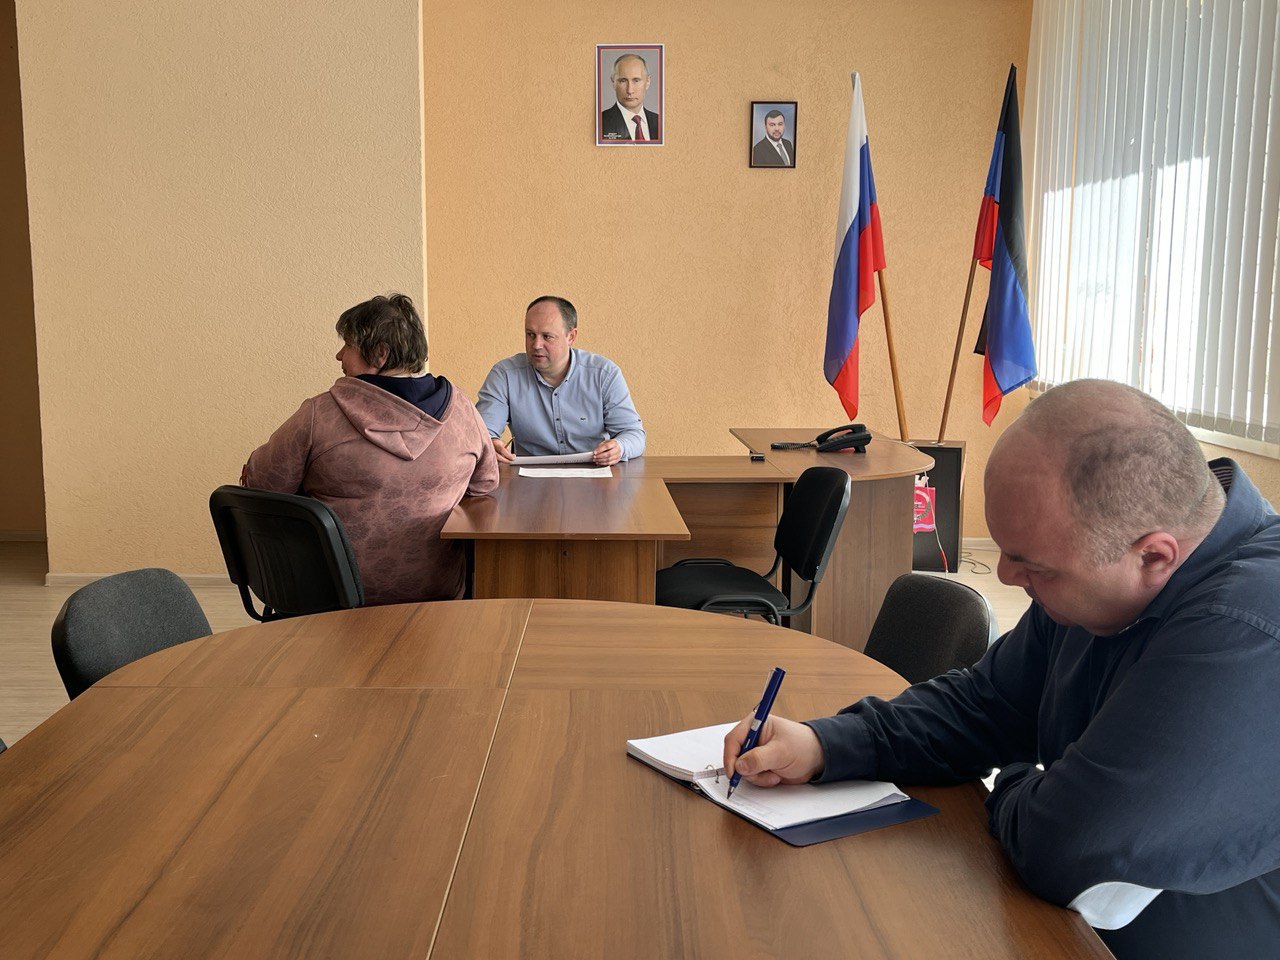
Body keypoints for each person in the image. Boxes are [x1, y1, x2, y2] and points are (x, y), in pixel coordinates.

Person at [723, 379, 1280, 960]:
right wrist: (824, 744)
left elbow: (1066, 846)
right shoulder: (1091, 588)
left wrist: (1016, 778)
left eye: (1030, 564)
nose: (1008, 578)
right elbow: (985, 705)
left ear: (1154, 556)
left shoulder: (1251, 630)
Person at [242, 293, 497, 605]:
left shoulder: (318, 414)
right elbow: (485, 483)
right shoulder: (462, 410)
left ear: (380, 354)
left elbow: (262, 484)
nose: (339, 356)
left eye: (347, 344)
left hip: (334, 596)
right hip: (437, 592)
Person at [476, 295, 645, 466]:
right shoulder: (504, 375)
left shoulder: (604, 374)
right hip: (529, 480)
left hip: (593, 475)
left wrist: (619, 447)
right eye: (530, 334)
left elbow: (634, 434)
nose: (536, 345)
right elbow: (482, 434)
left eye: (547, 336)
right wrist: (490, 444)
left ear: (571, 336)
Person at [600, 53, 661, 142]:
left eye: (636, 80)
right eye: (623, 81)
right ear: (613, 82)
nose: (630, 90)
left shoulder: (660, 122)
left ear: (648, 82)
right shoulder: (599, 122)